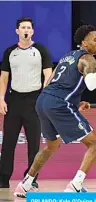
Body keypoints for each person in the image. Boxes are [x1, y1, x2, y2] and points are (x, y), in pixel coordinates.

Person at [13, 24, 96, 198]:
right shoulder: (88, 59)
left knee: (51, 145)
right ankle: (76, 184)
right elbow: (91, 84)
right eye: (95, 39)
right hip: (59, 103)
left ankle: (25, 184)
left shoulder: (68, 55)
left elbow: (52, 82)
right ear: (84, 43)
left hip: (43, 100)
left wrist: (74, 102)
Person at [0, 17, 53, 188]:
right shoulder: (10, 52)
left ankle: (31, 179)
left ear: (32, 31)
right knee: (8, 142)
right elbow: (4, 77)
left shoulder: (41, 50)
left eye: (28, 28)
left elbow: (48, 75)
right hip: (14, 100)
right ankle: (3, 178)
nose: (26, 30)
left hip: (34, 101)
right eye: (23, 27)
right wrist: (1, 98)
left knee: (34, 144)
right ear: (17, 31)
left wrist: (44, 97)